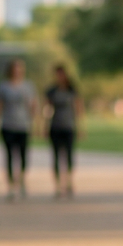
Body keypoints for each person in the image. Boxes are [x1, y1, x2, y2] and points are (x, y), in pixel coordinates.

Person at [0, 59, 38, 200]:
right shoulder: (3, 87)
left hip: (23, 126)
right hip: (8, 125)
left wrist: (36, 123)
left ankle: (21, 180)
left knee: (23, 156)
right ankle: (10, 186)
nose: (17, 71)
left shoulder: (28, 86)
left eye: (19, 69)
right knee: (9, 156)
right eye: (15, 69)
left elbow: (33, 105)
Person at [45, 64, 83, 198]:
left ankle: (69, 181)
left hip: (69, 126)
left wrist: (80, 127)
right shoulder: (51, 91)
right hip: (55, 126)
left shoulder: (72, 90)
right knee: (55, 156)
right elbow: (47, 109)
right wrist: (44, 126)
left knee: (69, 156)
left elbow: (78, 109)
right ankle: (57, 185)